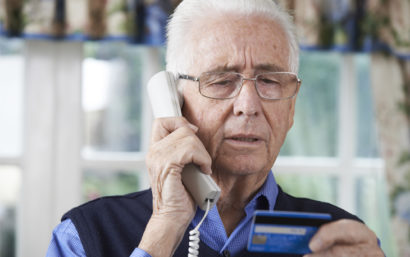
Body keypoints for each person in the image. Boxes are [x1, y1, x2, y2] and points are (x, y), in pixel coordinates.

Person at [46, 0, 385, 256]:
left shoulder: (342, 239)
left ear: (291, 107)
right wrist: (164, 228)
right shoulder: (84, 236)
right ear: (175, 102)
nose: (249, 105)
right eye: (222, 80)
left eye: (269, 81)